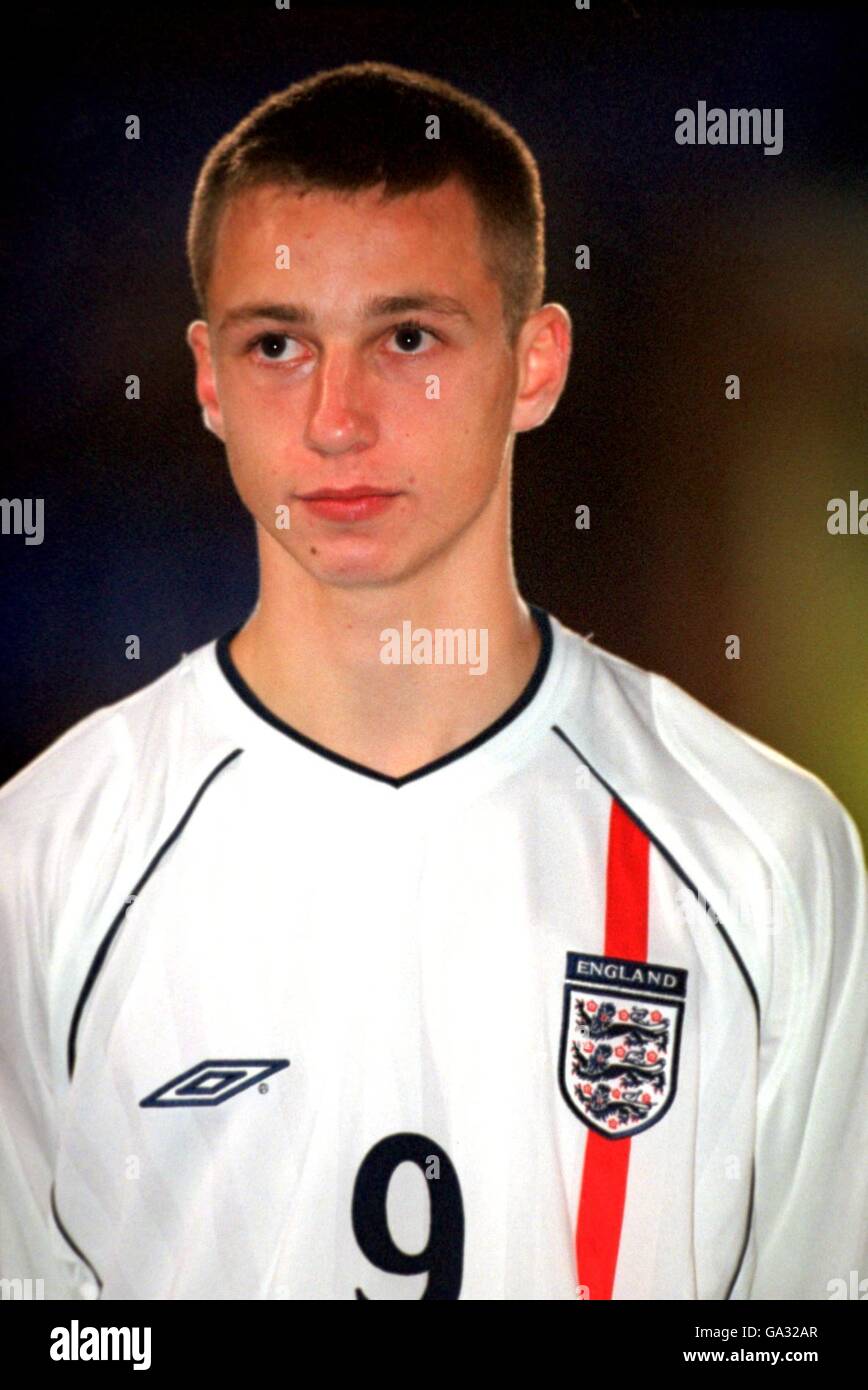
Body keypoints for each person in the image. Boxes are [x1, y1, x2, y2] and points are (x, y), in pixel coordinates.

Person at [1, 61, 864, 1302]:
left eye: (407, 339)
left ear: (535, 363)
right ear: (207, 380)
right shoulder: (44, 858)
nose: (335, 418)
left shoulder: (760, 852)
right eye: (277, 344)